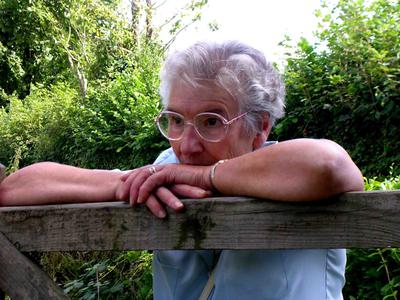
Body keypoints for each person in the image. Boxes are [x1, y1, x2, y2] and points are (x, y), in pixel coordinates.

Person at [0, 40, 364, 300]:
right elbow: (14, 189)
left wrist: (205, 177)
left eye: (211, 121)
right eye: (175, 120)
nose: (187, 145)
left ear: (261, 127)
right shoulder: (168, 168)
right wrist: (124, 184)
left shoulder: (293, 170)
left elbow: (331, 167)